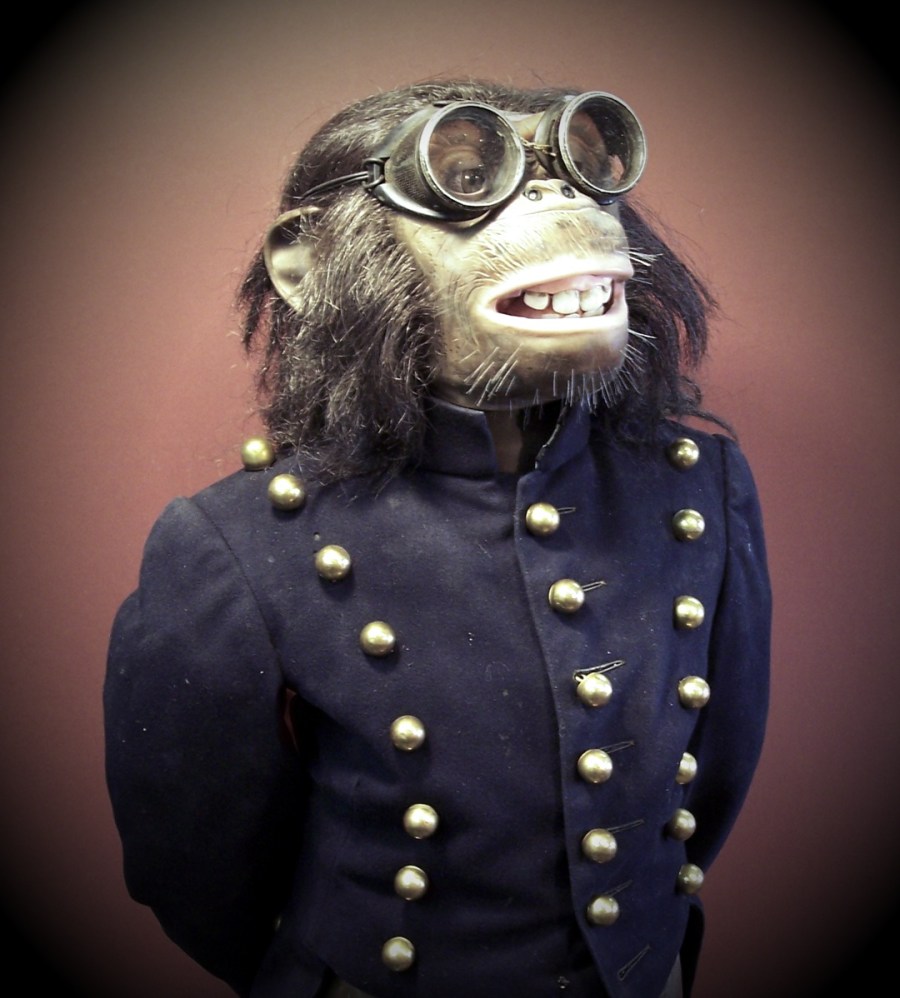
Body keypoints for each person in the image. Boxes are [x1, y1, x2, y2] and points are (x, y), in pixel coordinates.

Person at [104, 79, 771, 998]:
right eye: (467, 177)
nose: (559, 201)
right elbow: (193, 861)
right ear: (311, 267)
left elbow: (714, 774)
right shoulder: (237, 541)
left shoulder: (698, 486)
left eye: (580, 168)